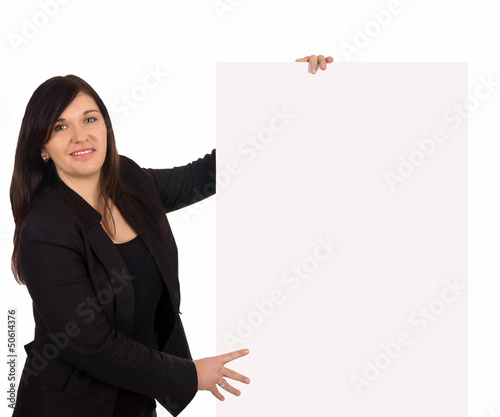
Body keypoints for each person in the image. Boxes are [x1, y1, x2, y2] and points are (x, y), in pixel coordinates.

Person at [9, 55, 333, 417]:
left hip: (135, 400)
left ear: (106, 126)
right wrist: (190, 374)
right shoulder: (44, 229)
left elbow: (202, 176)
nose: (80, 135)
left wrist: (289, 87)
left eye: (89, 119)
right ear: (42, 148)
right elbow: (92, 346)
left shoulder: (128, 180)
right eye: (60, 127)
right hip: (68, 407)